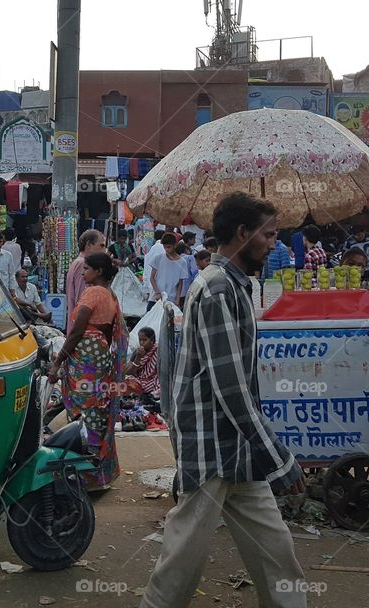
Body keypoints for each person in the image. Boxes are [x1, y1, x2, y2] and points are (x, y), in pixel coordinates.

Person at [141, 192, 305, 608]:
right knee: (181, 563)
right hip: (213, 446)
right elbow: (231, 388)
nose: (274, 243)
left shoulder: (233, 286)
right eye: (268, 235)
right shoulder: (216, 290)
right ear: (242, 233)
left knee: (276, 553)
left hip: (238, 451)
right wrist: (280, 459)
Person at [48, 252, 127, 490]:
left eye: (86, 269)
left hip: (87, 357)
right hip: (100, 356)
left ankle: (86, 472)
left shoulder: (93, 293)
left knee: (86, 410)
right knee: (95, 408)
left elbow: (76, 331)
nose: (83, 273)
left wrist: (58, 361)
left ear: (99, 272)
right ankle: (96, 472)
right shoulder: (111, 295)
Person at [65, 229, 106, 319]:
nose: (104, 250)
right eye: (101, 245)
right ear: (89, 245)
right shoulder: (82, 264)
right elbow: (82, 300)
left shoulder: (79, 262)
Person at [146, 232, 188, 310]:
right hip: (155, 298)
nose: (166, 250)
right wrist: (157, 292)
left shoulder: (182, 262)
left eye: (168, 247)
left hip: (171, 299)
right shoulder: (158, 258)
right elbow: (152, 278)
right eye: (165, 247)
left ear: (175, 245)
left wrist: (177, 299)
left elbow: (180, 283)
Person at [142, 228, 167, 300]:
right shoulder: (166, 249)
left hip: (151, 286)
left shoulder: (150, 250)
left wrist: (146, 288)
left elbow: (145, 271)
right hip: (164, 287)